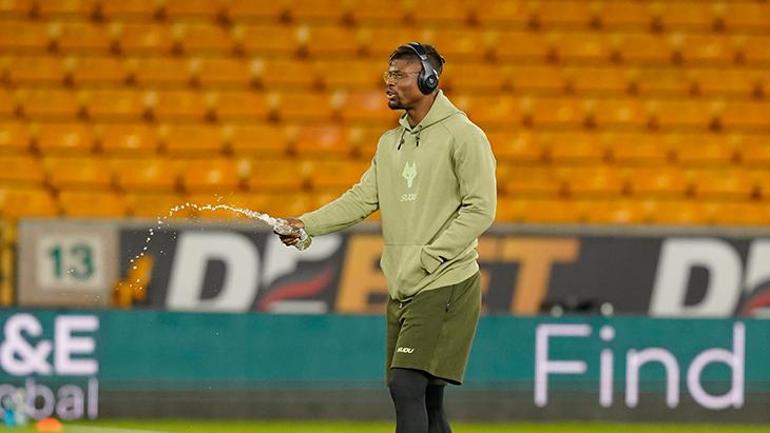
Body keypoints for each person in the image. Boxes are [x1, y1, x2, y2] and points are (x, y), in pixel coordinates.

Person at [277, 42, 497, 433]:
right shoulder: (389, 142)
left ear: (429, 80)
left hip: (445, 281)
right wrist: (306, 225)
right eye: (388, 74)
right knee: (427, 400)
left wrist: (431, 257)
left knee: (405, 385)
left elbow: (481, 208)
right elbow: (361, 199)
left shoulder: (464, 136)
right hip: (404, 284)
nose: (389, 83)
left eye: (399, 75)